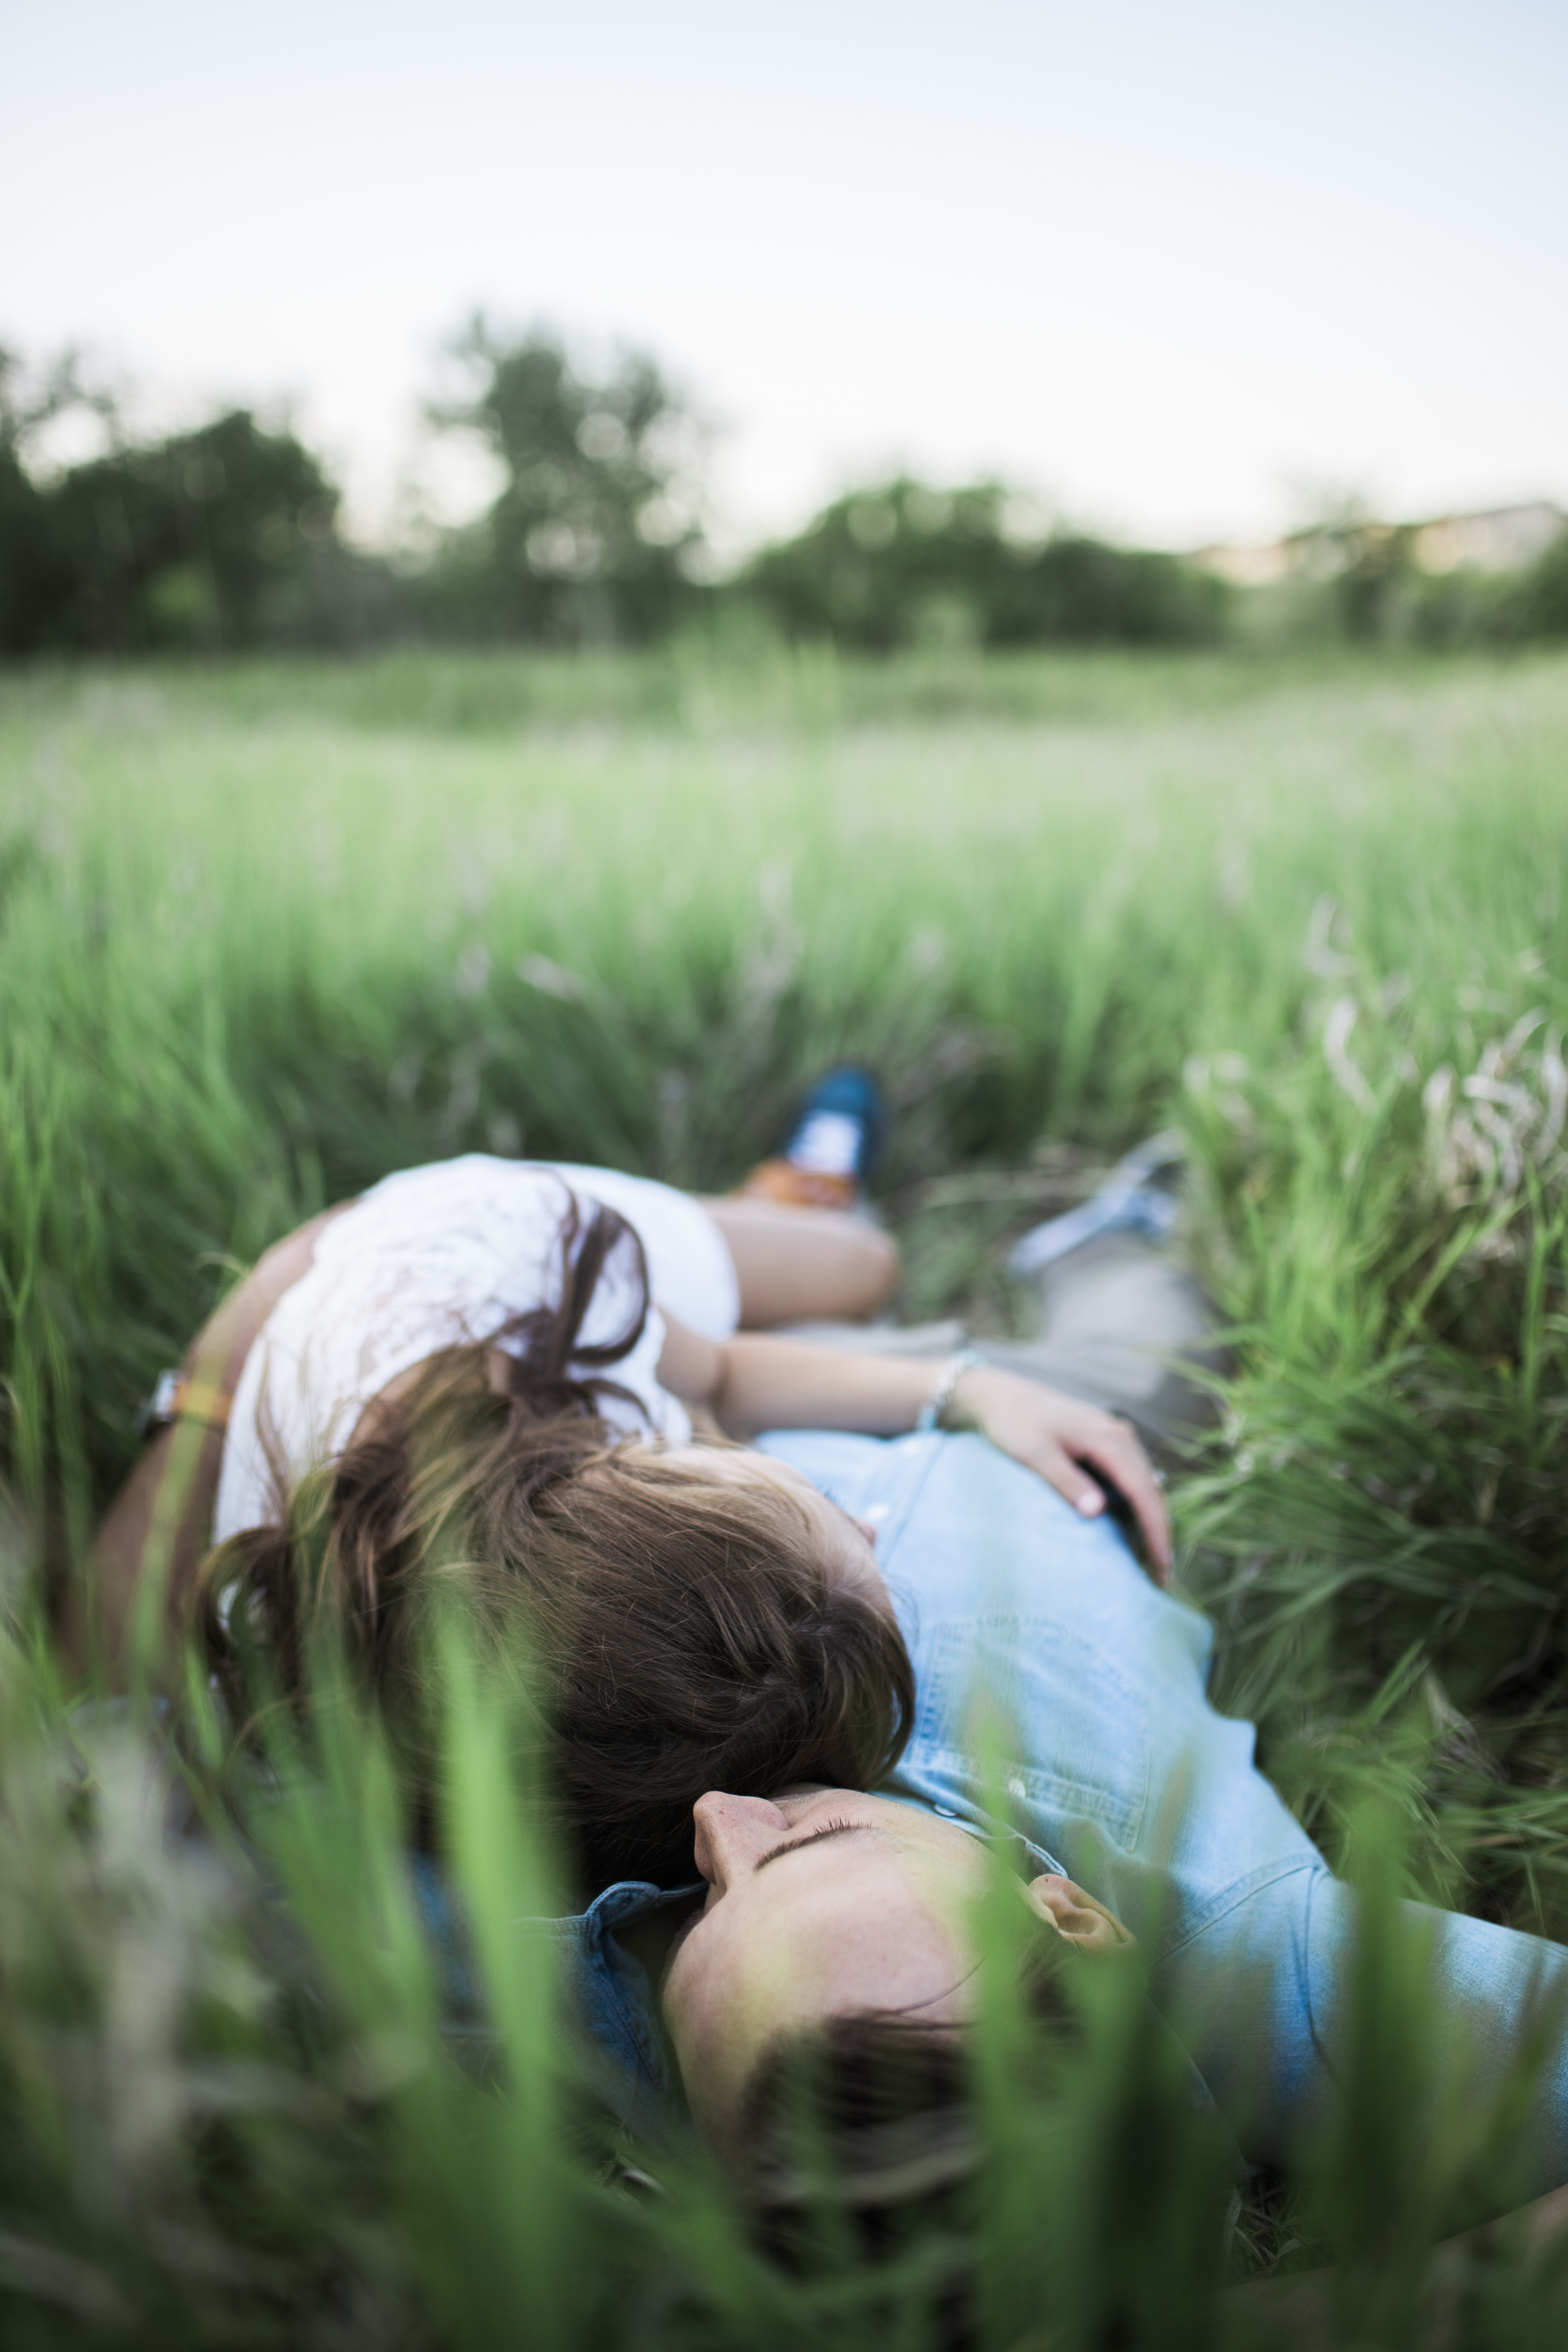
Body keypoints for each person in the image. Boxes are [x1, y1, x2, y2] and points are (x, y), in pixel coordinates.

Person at [90, 1076, 1170, 1888]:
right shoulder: (443, 1639)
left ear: (651, 1462)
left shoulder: (559, 1317)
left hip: (435, 1253)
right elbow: (723, 1381)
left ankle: (805, 1180)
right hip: (440, 1277)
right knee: (840, 1283)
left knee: (859, 1262)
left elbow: (729, 1372)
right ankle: (797, 1197)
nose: (871, 1523)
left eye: (822, 1508)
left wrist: (962, 1387)